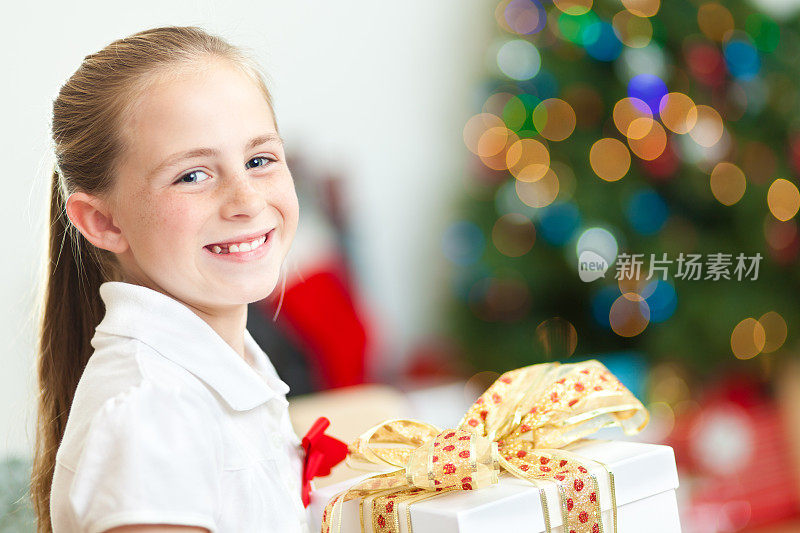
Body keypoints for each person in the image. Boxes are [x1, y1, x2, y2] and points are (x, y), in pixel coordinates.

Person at [31, 25, 309, 533]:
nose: (247, 201)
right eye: (193, 175)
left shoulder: (228, 370)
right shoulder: (150, 417)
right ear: (104, 222)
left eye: (259, 160)